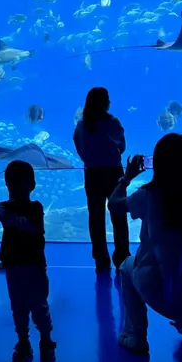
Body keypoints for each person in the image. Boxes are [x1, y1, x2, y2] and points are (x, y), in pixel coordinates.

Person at [109, 134, 182, 362]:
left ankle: (137, 337)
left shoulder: (150, 195)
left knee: (126, 266)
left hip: (165, 291)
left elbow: (113, 205)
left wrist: (126, 178)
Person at [0, 160, 56, 362]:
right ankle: (23, 341)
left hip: (34, 266)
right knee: (18, 305)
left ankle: (46, 341)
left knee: (39, 306)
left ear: (31, 186)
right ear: (7, 186)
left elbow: (30, 228)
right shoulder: (4, 207)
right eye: (12, 184)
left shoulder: (36, 208)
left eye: (20, 184)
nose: (16, 188)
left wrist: (5, 216)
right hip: (14, 266)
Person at [73, 87, 130, 273]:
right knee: (118, 215)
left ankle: (101, 258)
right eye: (108, 99)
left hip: (92, 174)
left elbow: (78, 145)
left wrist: (90, 159)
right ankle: (122, 257)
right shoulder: (112, 122)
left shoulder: (82, 125)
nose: (110, 102)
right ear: (104, 102)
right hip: (113, 172)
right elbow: (121, 146)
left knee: (96, 216)